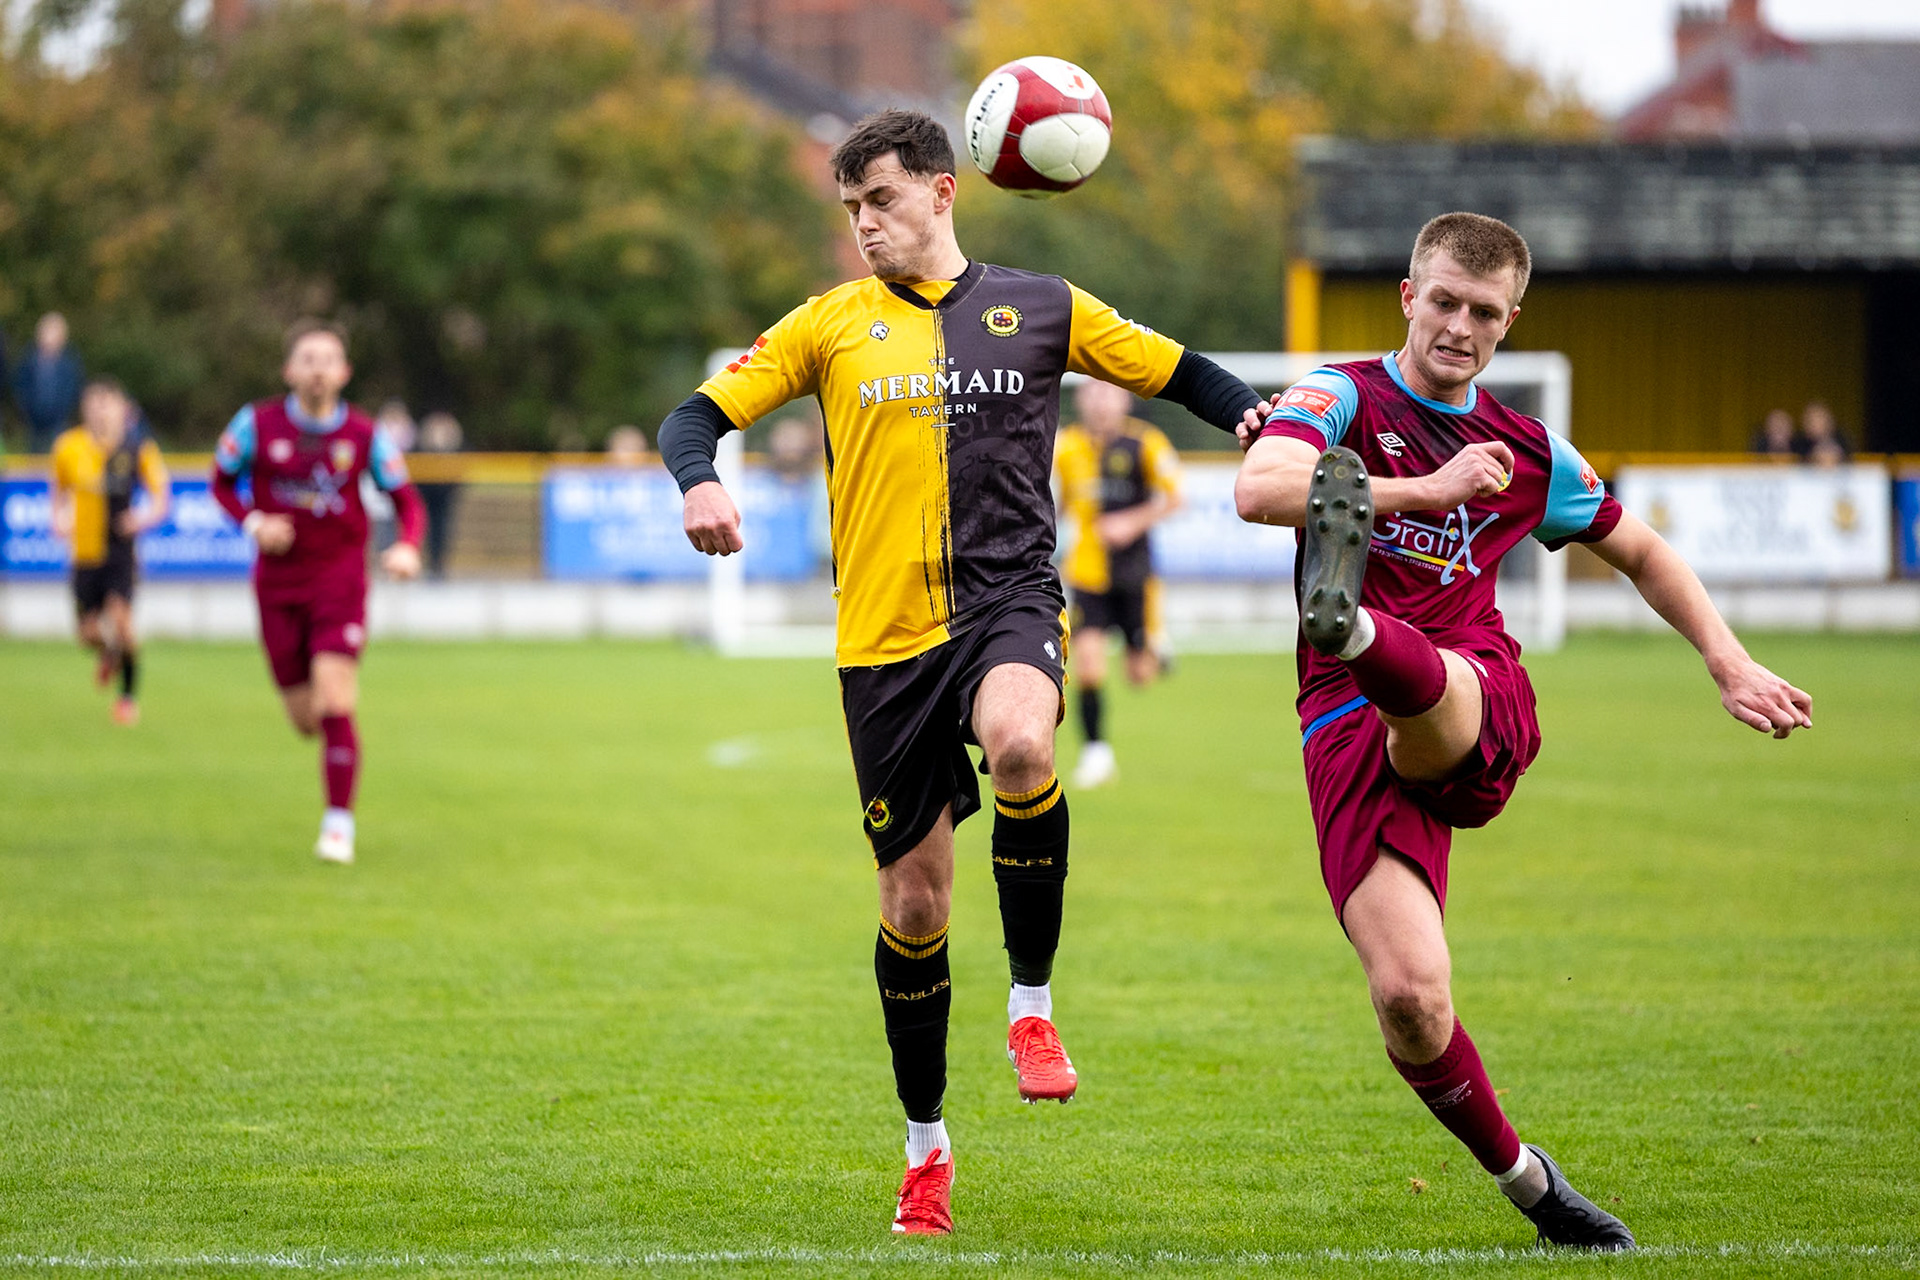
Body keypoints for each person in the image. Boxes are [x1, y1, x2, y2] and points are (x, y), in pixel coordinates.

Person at [657, 109, 1261, 1235]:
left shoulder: (1041, 305)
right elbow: (698, 412)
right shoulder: (831, 323)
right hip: (882, 649)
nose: (863, 227)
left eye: (878, 201)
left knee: (1031, 740)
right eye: (849, 211)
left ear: (942, 190)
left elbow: (1180, 371)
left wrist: (1262, 413)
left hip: (1009, 601)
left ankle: (1032, 1006)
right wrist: (699, 477)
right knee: (915, 903)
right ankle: (925, 1143)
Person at [1233, 212, 1812, 1252]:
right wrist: (1425, 488)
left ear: (1509, 325)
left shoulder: (1532, 450)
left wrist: (1729, 660)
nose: (1459, 325)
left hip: (1476, 694)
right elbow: (1260, 487)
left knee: (1436, 687)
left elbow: (1642, 550)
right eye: (1444, 301)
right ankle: (1532, 1185)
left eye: (1484, 313)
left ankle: (1358, 621)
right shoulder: (1340, 392)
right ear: (1409, 297)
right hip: (1341, 722)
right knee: (1410, 994)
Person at [211, 321, 426, 865]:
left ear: (344, 372)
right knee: (306, 719)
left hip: (339, 580)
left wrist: (407, 546)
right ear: (289, 370)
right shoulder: (255, 424)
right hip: (278, 584)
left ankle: (337, 826)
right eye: (307, 358)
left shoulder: (364, 434)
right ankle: (331, 772)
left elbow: (409, 502)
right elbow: (219, 481)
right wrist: (254, 522)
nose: (317, 368)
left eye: (328, 359)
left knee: (335, 699)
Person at [1053, 378, 1183, 788]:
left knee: (1138, 676)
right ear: (1081, 400)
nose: (1100, 402)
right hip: (1087, 574)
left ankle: (1153, 651)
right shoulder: (1066, 446)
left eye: (1108, 393)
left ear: (1124, 399)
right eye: (1092, 394)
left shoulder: (1146, 443)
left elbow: (1175, 498)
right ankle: (1096, 753)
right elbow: (1055, 502)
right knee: (1088, 665)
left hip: (1134, 575)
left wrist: (1131, 521)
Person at [49, 377, 169, 725]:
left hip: (120, 552)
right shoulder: (67, 446)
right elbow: (57, 490)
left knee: (123, 623)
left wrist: (142, 518)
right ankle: (109, 654)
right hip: (84, 553)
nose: (100, 409)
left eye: (107, 402)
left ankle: (127, 700)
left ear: (123, 409)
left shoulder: (137, 449)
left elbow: (162, 499)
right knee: (88, 634)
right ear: (85, 408)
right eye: (94, 402)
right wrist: (57, 518)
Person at [16, 312, 86, 453]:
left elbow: (74, 389)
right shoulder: (28, 359)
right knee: (34, 459)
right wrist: (27, 409)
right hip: (33, 422)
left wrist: (63, 411)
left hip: (59, 421)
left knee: (59, 453)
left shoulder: (70, 362)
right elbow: (20, 386)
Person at [415, 410, 464, 578]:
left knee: (443, 530)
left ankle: (439, 564)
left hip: (444, 495)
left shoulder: (452, 439)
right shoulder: (426, 440)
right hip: (429, 493)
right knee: (429, 529)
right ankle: (432, 564)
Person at [1797, 401, 1852, 468]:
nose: (1814, 424)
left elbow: (1851, 463)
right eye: (1810, 420)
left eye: (1819, 418)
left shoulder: (1842, 440)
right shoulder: (1799, 442)